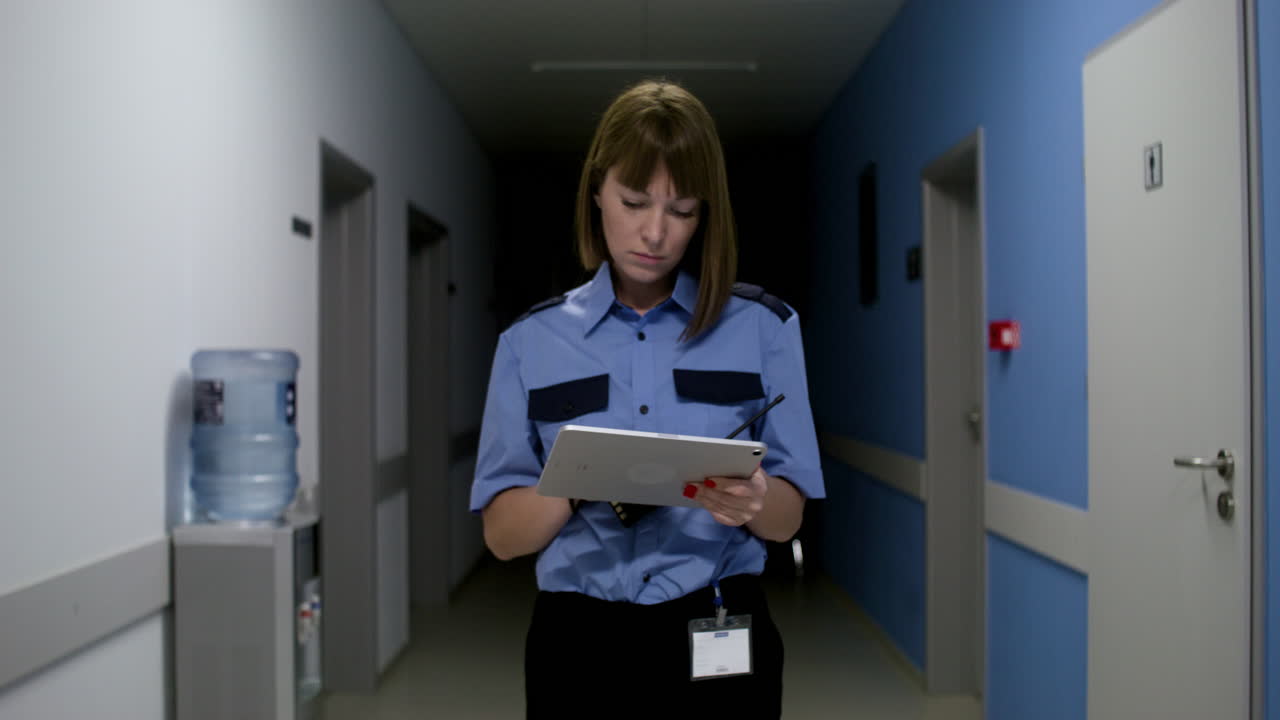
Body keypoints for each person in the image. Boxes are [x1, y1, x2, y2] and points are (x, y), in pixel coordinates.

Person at [470, 79, 824, 719]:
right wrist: (577, 479)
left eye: (682, 210)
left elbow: (788, 520)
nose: (655, 232)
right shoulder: (530, 341)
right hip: (578, 641)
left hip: (719, 622)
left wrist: (754, 500)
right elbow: (501, 538)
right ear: (597, 192)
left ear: (705, 215)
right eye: (634, 201)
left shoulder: (765, 329)